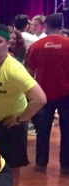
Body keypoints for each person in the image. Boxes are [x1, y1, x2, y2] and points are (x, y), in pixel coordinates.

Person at [0, 23, 46, 186]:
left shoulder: (15, 70)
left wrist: (20, 119)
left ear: (8, 43)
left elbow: (40, 99)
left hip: (10, 123)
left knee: (11, 165)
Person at [26, 13, 69, 175]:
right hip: (66, 94)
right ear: (62, 25)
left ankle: (41, 163)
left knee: (42, 131)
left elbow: (29, 73)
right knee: (67, 131)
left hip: (43, 94)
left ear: (46, 25)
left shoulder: (37, 46)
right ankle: (66, 166)